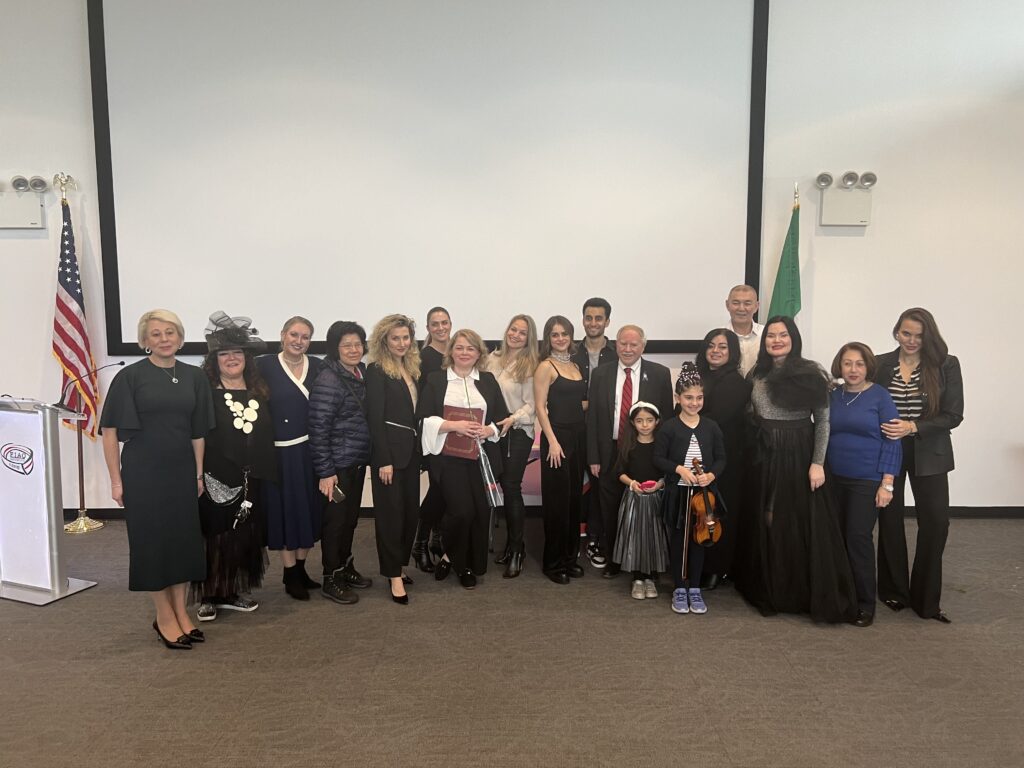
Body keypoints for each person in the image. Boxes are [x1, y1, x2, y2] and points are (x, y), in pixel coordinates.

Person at [101, 309, 214, 649]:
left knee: (182, 542)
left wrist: (198, 475)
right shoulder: (130, 377)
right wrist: (116, 481)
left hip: (181, 471)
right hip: (143, 472)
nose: (164, 339)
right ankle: (163, 616)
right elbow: (109, 432)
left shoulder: (195, 377)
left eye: (170, 332)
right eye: (156, 334)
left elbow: (198, 433)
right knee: (153, 544)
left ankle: (181, 611)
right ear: (144, 341)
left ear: (180, 338)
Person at [734, 316, 857, 623]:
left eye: (783, 335)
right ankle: (772, 588)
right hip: (764, 455)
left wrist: (817, 463)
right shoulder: (756, 373)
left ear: (793, 338)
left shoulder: (812, 373)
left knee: (797, 521)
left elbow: (823, 421)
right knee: (768, 519)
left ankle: (797, 591)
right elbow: (750, 410)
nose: (776, 340)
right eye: (771, 336)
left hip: (799, 454)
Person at [874, 308, 963, 623]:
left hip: (931, 450)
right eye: (906, 333)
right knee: (890, 520)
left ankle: (927, 599)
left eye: (918, 335)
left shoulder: (945, 364)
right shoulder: (880, 363)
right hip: (889, 450)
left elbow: (953, 415)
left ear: (929, 336)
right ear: (896, 331)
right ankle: (893, 591)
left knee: (936, 523)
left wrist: (912, 427)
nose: (911, 340)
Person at [193, 312, 275, 623]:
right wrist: (198, 473)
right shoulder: (205, 390)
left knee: (244, 534)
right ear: (214, 360)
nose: (231, 359)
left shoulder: (259, 390)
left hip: (253, 476)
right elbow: (197, 434)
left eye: (237, 353)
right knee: (216, 533)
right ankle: (210, 594)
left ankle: (234, 591)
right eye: (224, 354)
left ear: (247, 358)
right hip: (216, 475)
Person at [419, 329, 509, 589]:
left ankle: (457, 561)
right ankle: (455, 556)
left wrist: (489, 430)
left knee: (480, 512)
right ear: (451, 352)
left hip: (480, 457)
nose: (464, 353)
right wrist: (453, 425)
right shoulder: (436, 380)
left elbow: (502, 419)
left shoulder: (488, 380)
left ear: (479, 353)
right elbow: (424, 418)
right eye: (459, 348)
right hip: (447, 458)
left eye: (470, 348)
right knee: (462, 511)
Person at [586, 324, 673, 578]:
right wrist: (593, 456)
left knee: (646, 506)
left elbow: (665, 418)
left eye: (633, 344)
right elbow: (592, 419)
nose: (627, 348)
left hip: (645, 448)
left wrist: (663, 457)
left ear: (643, 347)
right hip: (609, 449)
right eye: (623, 343)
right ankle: (615, 559)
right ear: (615, 344)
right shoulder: (601, 374)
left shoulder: (659, 373)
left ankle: (647, 560)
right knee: (610, 506)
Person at [826, 342, 902, 628]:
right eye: (847, 363)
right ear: (840, 366)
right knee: (836, 539)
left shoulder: (880, 397)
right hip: (833, 479)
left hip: (867, 480)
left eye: (859, 364)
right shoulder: (834, 395)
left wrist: (888, 484)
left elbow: (893, 440)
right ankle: (841, 597)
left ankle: (864, 603)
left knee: (857, 539)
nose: (853, 369)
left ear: (868, 366)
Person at [257, 317, 325, 600]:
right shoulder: (263, 365)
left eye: (305, 337)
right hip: (279, 452)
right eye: (294, 334)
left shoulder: (319, 366)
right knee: (285, 511)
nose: (299, 341)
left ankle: (301, 568)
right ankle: (289, 573)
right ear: (283, 335)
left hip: (310, 451)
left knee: (308, 509)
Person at [653, 364, 726, 615]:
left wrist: (711, 474)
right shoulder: (670, 427)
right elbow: (658, 458)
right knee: (678, 540)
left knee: (699, 539)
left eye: (699, 397)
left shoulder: (711, 427)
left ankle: (694, 587)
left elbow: (721, 458)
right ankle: (679, 587)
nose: (694, 402)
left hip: (703, 496)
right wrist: (678, 469)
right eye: (688, 398)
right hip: (679, 493)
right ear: (677, 398)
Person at [308, 320, 372, 607]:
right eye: (346, 345)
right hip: (336, 467)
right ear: (335, 348)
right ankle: (330, 577)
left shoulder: (360, 372)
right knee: (334, 524)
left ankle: (345, 567)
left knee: (349, 521)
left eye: (357, 344)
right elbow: (318, 429)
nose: (353, 349)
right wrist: (326, 472)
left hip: (355, 463)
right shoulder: (329, 379)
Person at [365, 314, 422, 604]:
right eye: (395, 338)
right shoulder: (376, 370)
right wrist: (382, 459)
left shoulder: (411, 367)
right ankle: (393, 575)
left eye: (405, 337)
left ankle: (399, 564)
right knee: (390, 515)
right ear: (384, 340)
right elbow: (374, 419)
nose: (401, 343)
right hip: (388, 456)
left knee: (411, 512)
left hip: (411, 452)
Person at [694, 328, 752, 590]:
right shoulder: (697, 376)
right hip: (695, 455)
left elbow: (717, 417)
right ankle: (697, 561)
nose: (715, 351)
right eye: (711, 345)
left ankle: (718, 567)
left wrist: (687, 423)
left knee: (720, 512)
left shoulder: (737, 383)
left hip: (724, 459)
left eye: (723, 347)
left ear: (732, 352)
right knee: (698, 510)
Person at [533, 316, 588, 585]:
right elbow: (541, 407)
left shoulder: (576, 366)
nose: (560, 338)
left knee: (574, 498)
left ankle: (569, 558)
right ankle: (553, 564)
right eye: (554, 335)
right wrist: (553, 441)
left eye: (564, 333)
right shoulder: (546, 366)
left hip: (578, 436)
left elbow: (578, 403)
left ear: (571, 336)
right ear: (548, 338)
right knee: (557, 502)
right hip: (557, 438)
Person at [484, 314, 539, 578]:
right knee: (501, 484)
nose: (515, 335)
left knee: (511, 486)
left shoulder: (531, 365)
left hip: (518, 431)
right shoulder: (490, 359)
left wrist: (513, 419)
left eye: (522, 333)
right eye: (513, 329)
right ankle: (510, 545)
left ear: (529, 338)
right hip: (493, 432)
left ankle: (517, 549)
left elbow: (533, 404)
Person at [570, 297, 617, 567]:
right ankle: (572, 537)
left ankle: (597, 538)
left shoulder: (616, 354)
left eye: (599, 318)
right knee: (574, 484)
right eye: (589, 317)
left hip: (604, 431)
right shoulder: (572, 353)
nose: (593, 323)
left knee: (601, 485)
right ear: (583, 319)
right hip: (575, 429)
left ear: (607, 322)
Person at [611, 403, 668, 600]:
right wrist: (632, 483)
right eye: (640, 421)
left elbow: (667, 472)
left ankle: (651, 577)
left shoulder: (661, 445)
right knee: (635, 536)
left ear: (657, 422)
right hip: (634, 499)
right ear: (633, 423)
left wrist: (660, 484)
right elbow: (619, 472)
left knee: (654, 536)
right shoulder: (629, 445)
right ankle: (637, 578)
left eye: (649, 420)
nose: (645, 425)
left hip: (656, 500)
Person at [412, 306, 452, 572]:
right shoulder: (423, 357)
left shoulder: (458, 351)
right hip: (434, 433)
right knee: (438, 488)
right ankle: (420, 542)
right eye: (435, 324)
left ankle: (438, 537)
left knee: (448, 490)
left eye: (444, 322)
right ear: (428, 328)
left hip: (457, 434)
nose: (440, 328)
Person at [725, 284, 764, 376]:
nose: (741, 308)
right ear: (727, 305)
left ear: (756, 306)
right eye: (736, 303)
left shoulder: (767, 335)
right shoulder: (718, 338)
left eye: (747, 303)